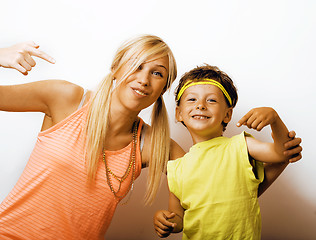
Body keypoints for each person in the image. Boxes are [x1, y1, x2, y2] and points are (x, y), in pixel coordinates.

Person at [0, 39, 301, 240]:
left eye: (157, 73)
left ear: (163, 90)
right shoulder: (66, 98)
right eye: (136, 64)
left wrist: (281, 158)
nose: (144, 79)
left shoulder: (156, 146)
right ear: (117, 69)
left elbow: (223, 191)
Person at [153, 64, 302, 239]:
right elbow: (178, 219)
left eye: (211, 100)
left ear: (228, 115)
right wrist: (165, 221)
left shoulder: (240, 145)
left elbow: (283, 152)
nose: (200, 105)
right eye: (192, 99)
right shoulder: (176, 169)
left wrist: (274, 119)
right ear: (179, 113)